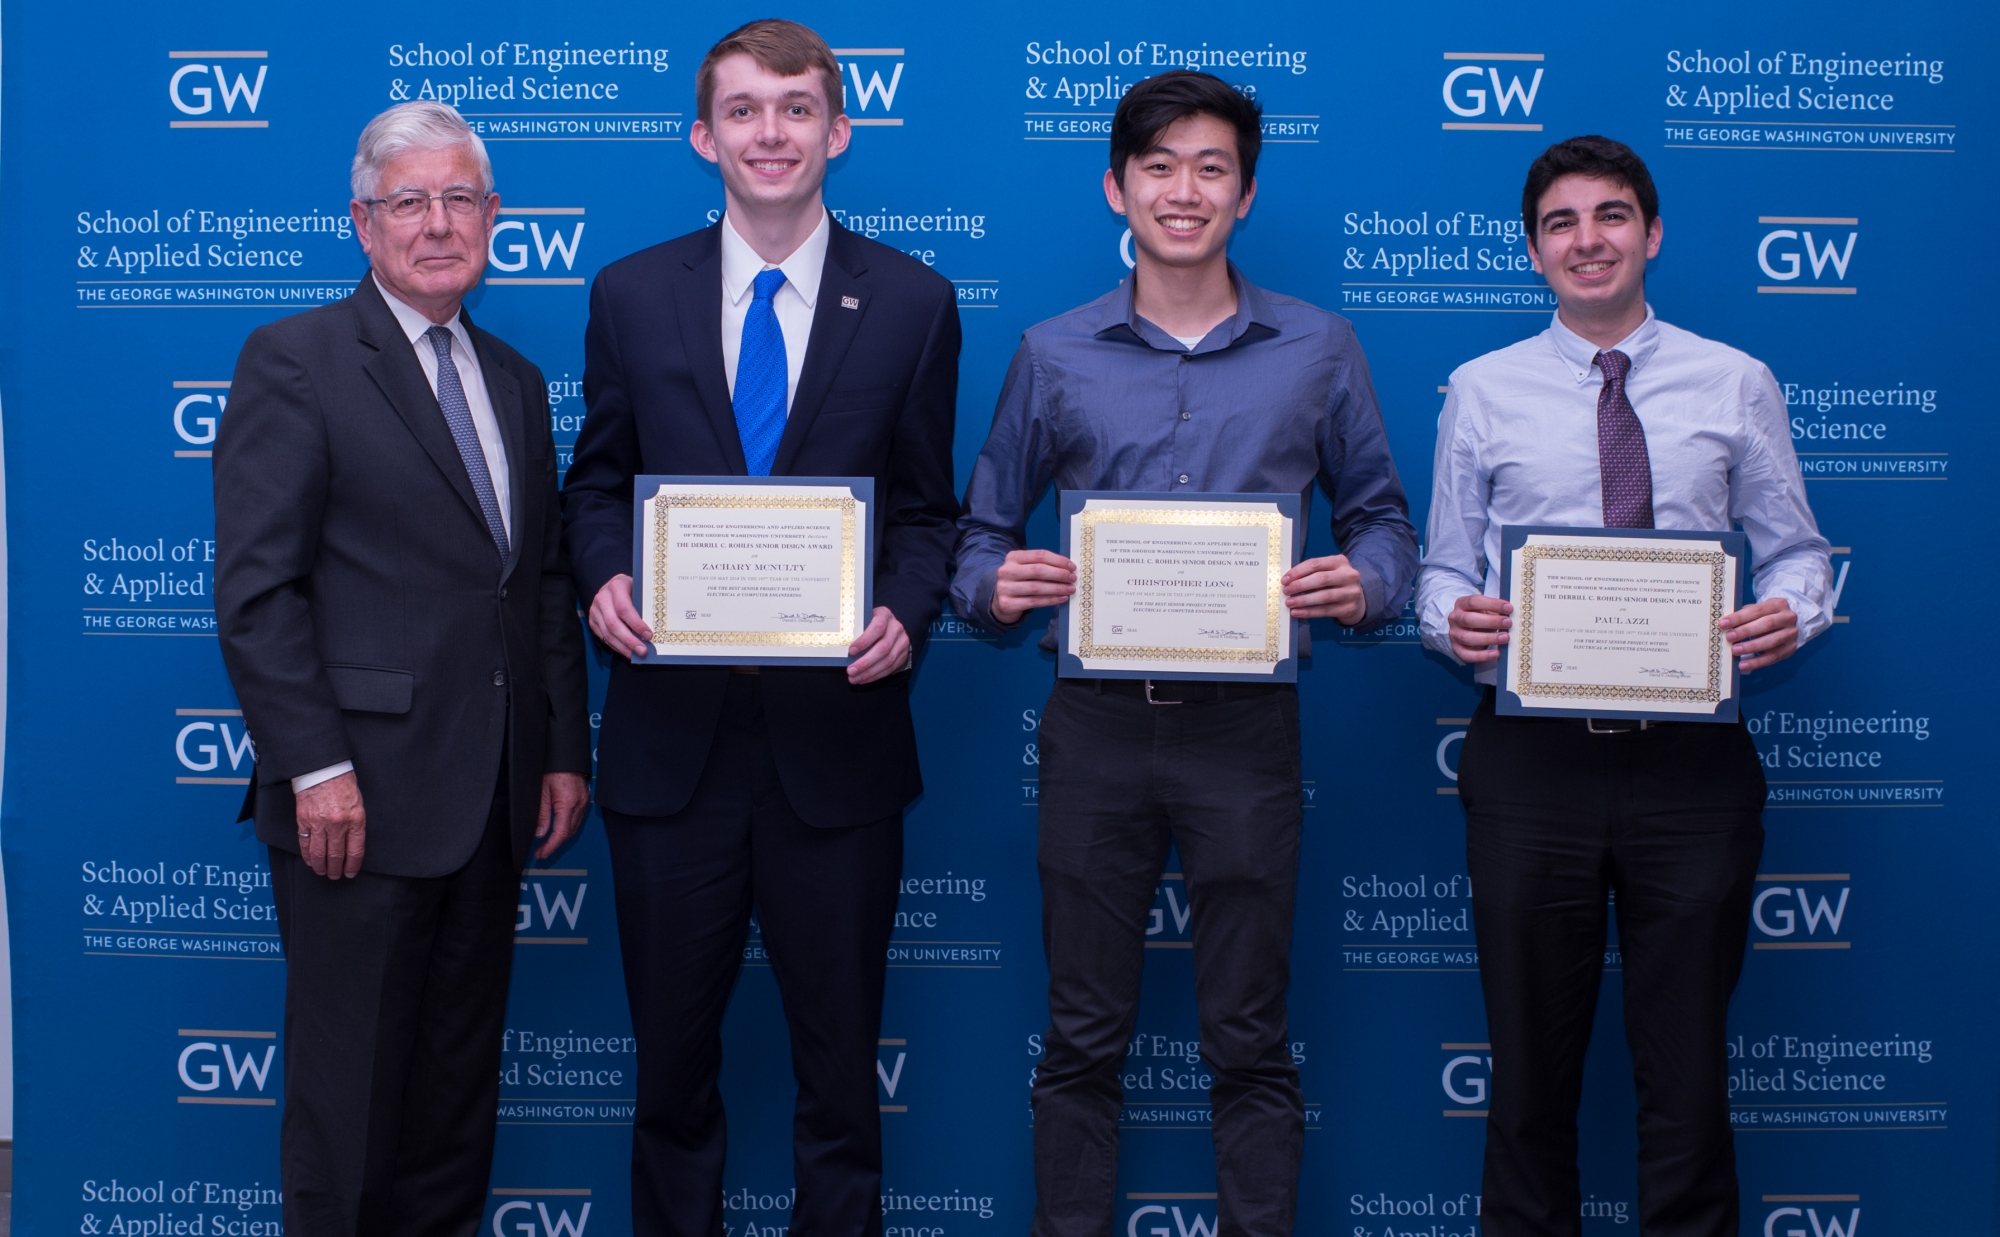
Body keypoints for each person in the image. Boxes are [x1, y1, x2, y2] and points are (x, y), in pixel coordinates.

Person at [953, 70, 1419, 1237]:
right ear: (1116, 186)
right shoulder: (1051, 352)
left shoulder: (1318, 346)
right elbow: (978, 532)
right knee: (1079, 1038)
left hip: (1244, 734)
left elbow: (1381, 523)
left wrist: (1362, 585)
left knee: (1249, 1037)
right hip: (1094, 730)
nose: (1183, 189)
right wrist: (990, 584)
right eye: (1158, 166)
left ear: (1246, 193)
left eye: (1210, 167)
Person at [559, 19, 960, 1237]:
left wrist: (904, 607)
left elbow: (927, 508)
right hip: (667, 752)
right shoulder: (630, 292)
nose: (769, 132)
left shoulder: (913, 299)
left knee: (840, 1079)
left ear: (838, 129)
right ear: (703, 136)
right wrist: (599, 581)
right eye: (743, 110)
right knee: (670, 1078)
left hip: (834, 751)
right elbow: (594, 483)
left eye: (795, 108)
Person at [1418, 136, 1832, 1237]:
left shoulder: (1733, 379)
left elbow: (1794, 549)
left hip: (1690, 765)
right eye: (1560, 223)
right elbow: (1443, 568)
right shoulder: (1482, 388)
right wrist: (1447, 621)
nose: (1585, 239)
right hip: (1528, 766)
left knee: (1688, 1074)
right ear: (1533, 250)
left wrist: (1795, 607)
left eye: (1609, 216)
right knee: (1524, 1081)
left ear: (1650, 234)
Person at [214, 101, 592, 1236]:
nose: (439, 224)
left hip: (489, 801)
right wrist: (314, 765)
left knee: (450, 1108)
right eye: (409, 202)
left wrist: (561, 751)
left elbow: (536, 587)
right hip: (357, 806)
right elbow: (256, 592)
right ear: (363, 225)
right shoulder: (297, 359)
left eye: (460, 199)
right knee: (348, 1107)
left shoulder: (515, 379)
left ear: (494, 218)